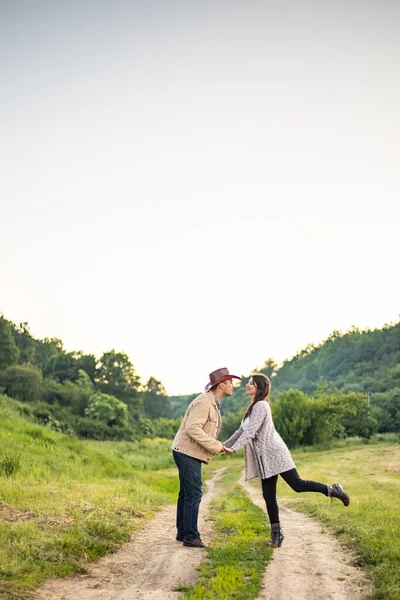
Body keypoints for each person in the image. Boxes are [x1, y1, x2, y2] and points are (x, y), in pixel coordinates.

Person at [223, 373, 350, 548]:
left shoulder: (261, 406)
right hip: (265, 459)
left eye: (250, 383)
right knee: (269, 496)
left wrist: (234, 448)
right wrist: (223, 446)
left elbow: (250, 432)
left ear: (259, 387)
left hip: (276, 453)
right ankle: (277, 534)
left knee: (297, 485)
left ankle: (333, 490)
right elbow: (240, 431)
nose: (246, 385)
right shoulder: (252, 408)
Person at [171, 367, 239, 548]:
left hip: (187, 451)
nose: (233, 385)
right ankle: (191, 537)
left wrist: (220, 446)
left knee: (186, 493)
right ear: (221, 384)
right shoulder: (204, 402)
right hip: (186, 452)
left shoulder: (213, 402)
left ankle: (183, 532)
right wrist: (218, 447)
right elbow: (193, 428)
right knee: (194, 493)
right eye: (231, 382)